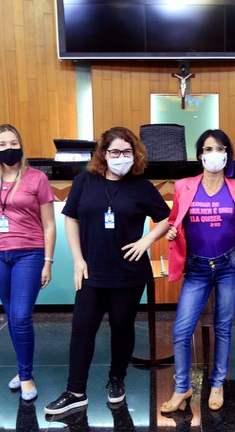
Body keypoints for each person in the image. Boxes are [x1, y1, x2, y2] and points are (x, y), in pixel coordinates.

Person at [44, 127, 170, 415]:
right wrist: (78, 260)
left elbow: (167, 218)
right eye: (115, 151)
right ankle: (75, 391)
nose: (121, 157)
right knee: (82, 329)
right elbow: (71, 219)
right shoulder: (84, 181)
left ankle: (117, 380)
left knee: (122, 328)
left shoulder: (141, 186)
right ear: (103, 153)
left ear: (135, 154)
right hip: (91, 270)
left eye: (127, 151)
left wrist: (147, 241)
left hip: (128, 273)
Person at [160, 129, 235, 413]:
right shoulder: (184, 186)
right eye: (207, 149)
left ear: (227, 154)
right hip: (197, 268)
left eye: (219, 148)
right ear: (200, 155)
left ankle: (217, 383)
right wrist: (172, 232)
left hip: (229, 266)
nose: (213, 154)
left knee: (223, 327)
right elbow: (175, 221)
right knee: (182, 330)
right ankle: (182, 387)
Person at [0, 124, 55, 401]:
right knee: (12, 315)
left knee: (22, 315)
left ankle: (26, 376)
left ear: (21, 146)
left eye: (13, 142)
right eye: (2, 144)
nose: (8, 148)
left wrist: (47, 261)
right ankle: (23, 369)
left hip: (29, 254)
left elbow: (49, 225)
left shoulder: (37, 178)